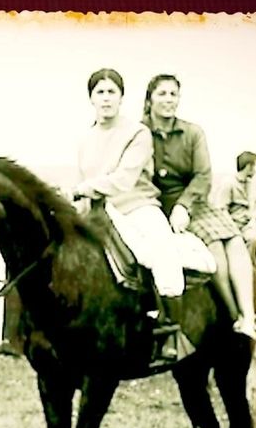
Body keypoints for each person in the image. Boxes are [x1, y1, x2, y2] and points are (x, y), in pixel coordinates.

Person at [143, 74, 256, 340]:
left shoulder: (193, 132)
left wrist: (184, 205)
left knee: (236, 242)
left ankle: (249, 318)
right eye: (162, 94)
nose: (169, 100)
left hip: (194, 201)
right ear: (150, 99)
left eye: (174, 94)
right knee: (214, 248)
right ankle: (232, 316)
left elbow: (203, 175)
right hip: (157, 203)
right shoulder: (140, 131)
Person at [70, 68, 186, 301]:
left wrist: (82, 189)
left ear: (121, 97)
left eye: (112, 91)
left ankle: (171, 326)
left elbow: (124, 179)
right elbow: (82, 179)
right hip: (98, 211)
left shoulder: (138, 133)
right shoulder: (85, 138)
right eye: (100, 92)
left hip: (137, 207)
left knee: (164, 253)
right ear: (91, 98)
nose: (106, 98)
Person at [225, 151, 256, 262]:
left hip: (247, 225)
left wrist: (253, 219)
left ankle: (251, 269)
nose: (255, 170)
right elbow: (222, 210)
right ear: (248, 166)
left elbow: (255, 205)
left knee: (254, 239)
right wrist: (234, 229)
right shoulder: (228, 183)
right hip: (232, 226)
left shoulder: (250, 184)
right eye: (254, 166)